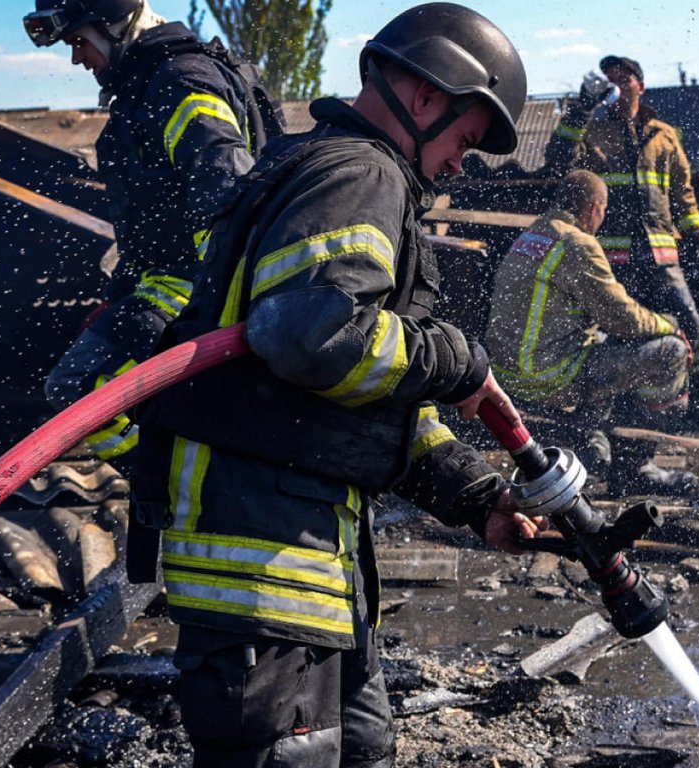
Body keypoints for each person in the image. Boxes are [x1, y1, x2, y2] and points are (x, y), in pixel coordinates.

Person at [133, 4, 540, 765]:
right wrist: (454, 361)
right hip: (262, 568)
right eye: (466, 140)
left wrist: (477, 497)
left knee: (362, 748)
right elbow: (308, 334)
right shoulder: (360, 174)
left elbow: (358, 389)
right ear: (426, 97)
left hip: (309, 566)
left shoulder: (326, 167)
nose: (459, 165)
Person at [24, 0, 281, 465]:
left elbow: (227, 191)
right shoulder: (149, 83)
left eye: (79, 41)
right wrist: (117, 295)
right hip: (178, 279)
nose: (77, 58)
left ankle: (177, 483)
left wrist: (212, 304)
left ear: (112, 22)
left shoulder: (181, 81)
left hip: (200, 285)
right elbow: (155, 222)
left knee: (79, 387)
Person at [486, 169, 697, 494]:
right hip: (547, 377)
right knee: (671, 352)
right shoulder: (577, 243)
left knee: (602, 345)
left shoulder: (535, 234)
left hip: (507, 375)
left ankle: (593, 452)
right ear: (594, 209)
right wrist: (670, 324)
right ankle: (637, 468)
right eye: (603, 211)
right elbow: (625, 318)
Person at [544, 54, 699, 372]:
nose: (618, 88)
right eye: (611, 81)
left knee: (691, 325)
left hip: (662, 259)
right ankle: (623, 408)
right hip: (613, 259)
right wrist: (580, 110)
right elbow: (556, 161)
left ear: (642, 87)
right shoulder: (592, 132)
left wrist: (697, 235)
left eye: (625, 80)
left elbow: (682, 193)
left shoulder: (664, 136)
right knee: (618, 333)